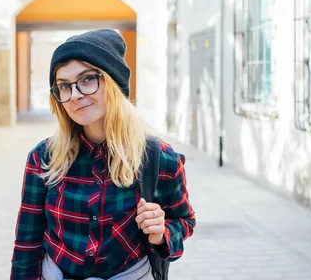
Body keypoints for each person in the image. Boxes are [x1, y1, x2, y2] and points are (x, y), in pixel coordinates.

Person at [10, 29, 196, 280]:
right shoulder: (44, 158)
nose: (75, 95)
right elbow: (27, 245)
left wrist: (161, 233)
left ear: (112, 82)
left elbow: (183, 221)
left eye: (87, 79)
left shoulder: (159, 158)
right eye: (64, 86)